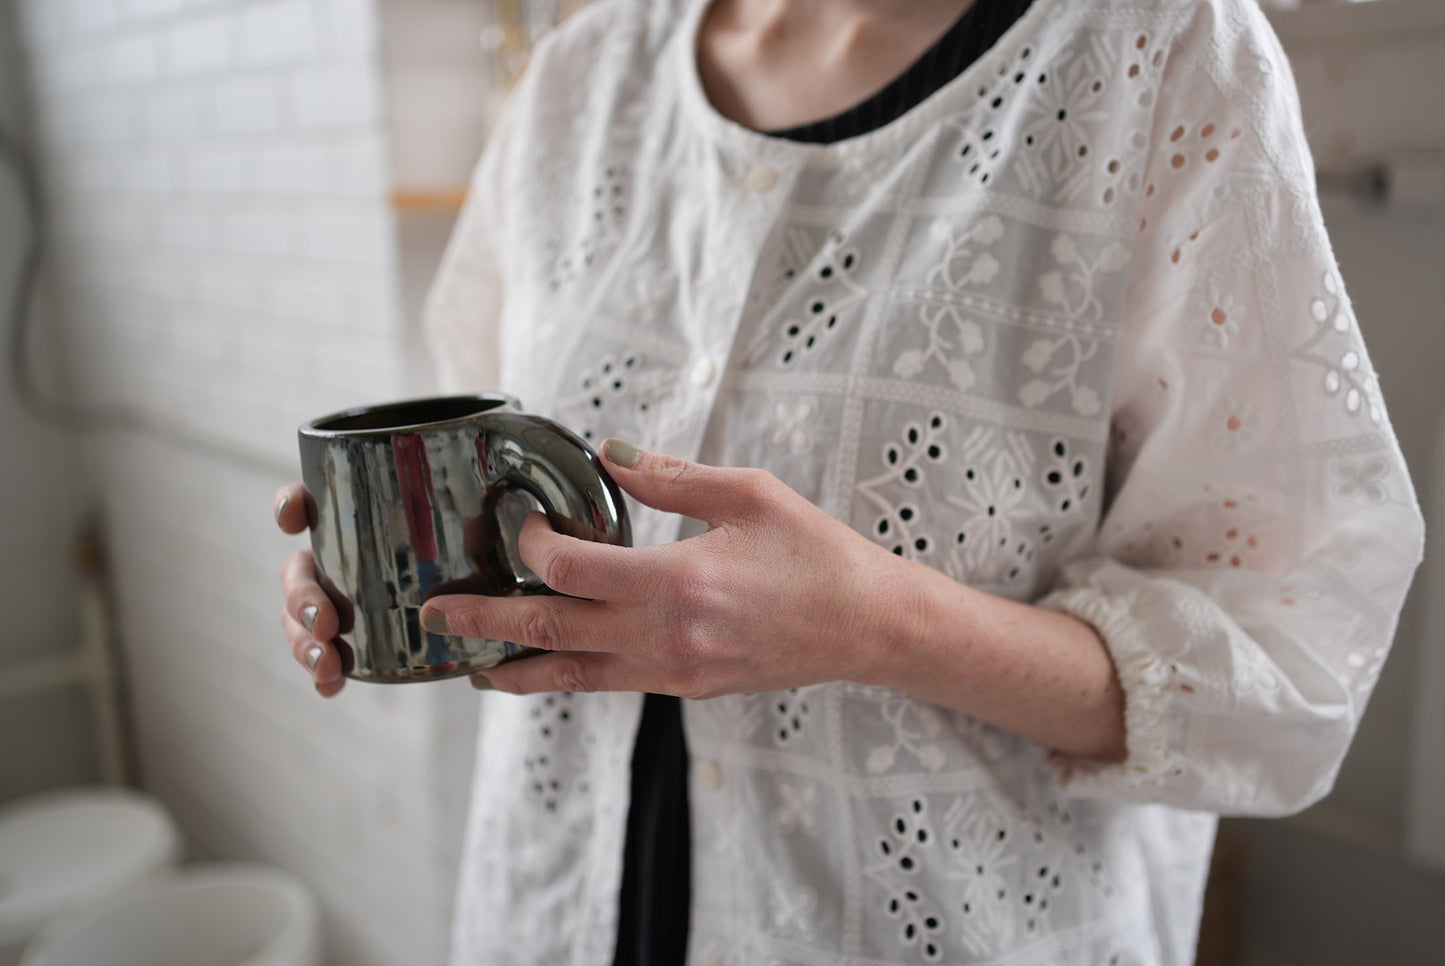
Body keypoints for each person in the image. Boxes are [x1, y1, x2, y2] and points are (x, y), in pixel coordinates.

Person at [275, 0, 1426, 963]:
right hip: (548, 915)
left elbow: (1291, 671)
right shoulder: (581, 78)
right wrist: (395, 558)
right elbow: (478, 440)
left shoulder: (1155, 54)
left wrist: (878, 624)